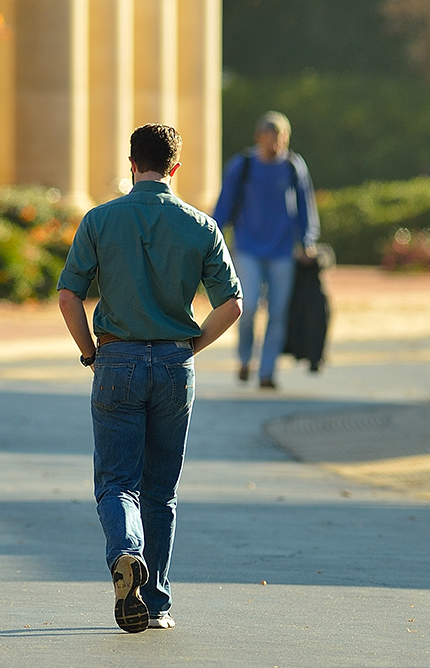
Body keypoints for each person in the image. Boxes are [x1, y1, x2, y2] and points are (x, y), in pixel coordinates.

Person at [58, 123, 242, 633]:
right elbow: (232, 304)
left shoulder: (99, 220)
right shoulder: (201, 227)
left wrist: (89, 352)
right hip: (173, 364)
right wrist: (190, 346)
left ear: (131, 163)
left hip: (116, 359)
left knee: (117, 481)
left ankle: (124, 552)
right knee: (161, 490)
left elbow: (69, 295)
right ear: (175, 168)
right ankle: (156, 603)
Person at [212, 111, 319, 388]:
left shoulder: (294, 166)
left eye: (282, 137)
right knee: (246, 308)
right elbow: (224, 204)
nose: (277, 143)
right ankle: (245, 359)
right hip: (248, 247)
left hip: (282, 251)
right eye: (272, 137)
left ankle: (267, 371)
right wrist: (212, 237)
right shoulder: (243, 165)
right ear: (259, 137)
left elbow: (307, 207)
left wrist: (307, 240)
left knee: (277, 312)